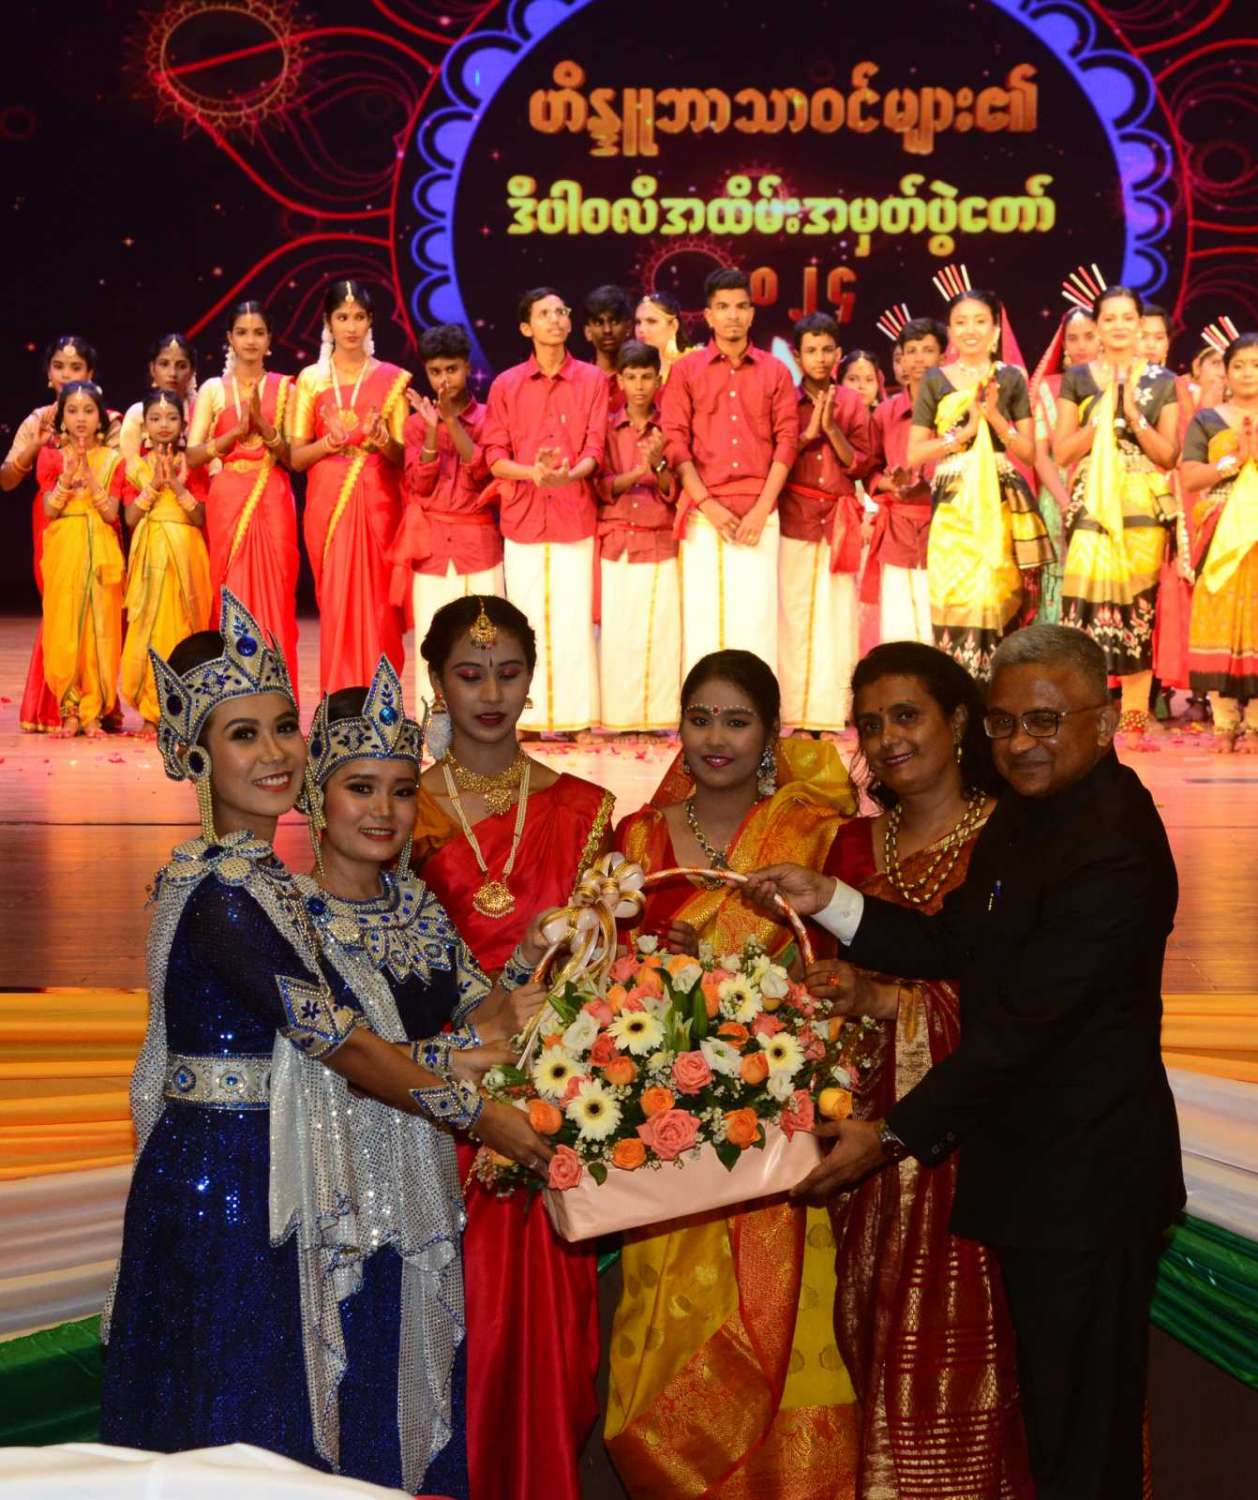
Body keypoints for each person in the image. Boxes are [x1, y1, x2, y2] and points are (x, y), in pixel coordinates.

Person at [100, 594, 551, 1492]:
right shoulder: (225, 895)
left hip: (273, 1168)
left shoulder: (261, 883)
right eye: (243, 735)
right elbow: (343, 1045)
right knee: (233, 1419)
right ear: (193, 755)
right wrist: (480, 1115)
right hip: (227, 1183)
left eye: (282, 728)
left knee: (274, 1422)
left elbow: (398, 1033)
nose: (273, 753)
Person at [747, 622, 1184, 1500]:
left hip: (1089, 1189)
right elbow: (953, 941)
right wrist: (828, 898)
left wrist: (891, 1135)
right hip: (1031, 1179)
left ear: (1106, 722)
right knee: (1052, 1430)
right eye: (1005, 723)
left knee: (1083, 1443)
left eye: (1045, 722)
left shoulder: (1113, 842)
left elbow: (1026, 1029)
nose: (1020, 744)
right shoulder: (1031, 813)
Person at [295, 655, 557, 1496]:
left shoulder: (416, 905)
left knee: (425, 1387)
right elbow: (346, 1065)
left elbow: (485, 1008)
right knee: (349, 1396)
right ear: (315, 795)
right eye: (360, 788)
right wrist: (463, 1054)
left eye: (403, 790)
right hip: (338, 1193)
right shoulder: (292, 919)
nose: (384, 810)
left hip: (427, 1184)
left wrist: (535, 956)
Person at [605, 649, 861, 1498]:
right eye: (701, 718)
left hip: (780, 1133)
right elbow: (600, 976)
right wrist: (655, 960)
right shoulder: (638, 839)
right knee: (666, 1323)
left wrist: (752, 987)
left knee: (794, 1320)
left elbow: (839, 968)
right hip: (668, 1134)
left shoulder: (812, 833)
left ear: (770, 734)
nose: (716, 738)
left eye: (737, 721)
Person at [808, 642, 1031, 1498]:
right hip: (866, 1158)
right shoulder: (848, 845)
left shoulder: (1012, 836)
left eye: (906, 716)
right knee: (876, 1344)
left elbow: (1024, 1011)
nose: (887, 739)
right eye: (869, 724)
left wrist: (886, 1002)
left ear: (959, 719)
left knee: (979, 1366)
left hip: (978, 1150)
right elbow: (817, 982)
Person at [410, 593, 614, 1500]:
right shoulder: (396, 805)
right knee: (450, 1332)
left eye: (508, 673)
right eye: (469, 674)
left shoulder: (583, 810)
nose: (490, 694)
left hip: (548, 1107)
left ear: (532, 680)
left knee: (543, 1346)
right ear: (436, 681)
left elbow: (605, 967)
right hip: (430, 1105)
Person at [1054, 286, 1181, 739]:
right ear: (1098, 326)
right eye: (1110, 318)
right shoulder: (1078, 378)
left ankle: (1134, 718)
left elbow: (1168, 455)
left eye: (1128, 317)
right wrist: (1103, 415)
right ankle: (1081, 716)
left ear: (1140, 323)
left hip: (1141, 504)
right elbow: (1062, 451)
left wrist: (1133, 415)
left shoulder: (1162, 381)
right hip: (1091, 501)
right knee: (1083, 606)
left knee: (1137, 610)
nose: (1120, 326)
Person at [661, 267, 799, 676]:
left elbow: (787, 442)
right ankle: (704, 706)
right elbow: (675, 442)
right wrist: (707, 505)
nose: (733, 315)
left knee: (757, 620)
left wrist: (762, 508)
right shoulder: (686, 371)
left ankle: (756, 705)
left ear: (752, 314)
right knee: (704, 620)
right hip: (704, 513)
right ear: (708, 315)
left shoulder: (775, 371)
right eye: (723, 307)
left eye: (741, 307)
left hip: (760, 512)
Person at [907, 290, 1052, 677]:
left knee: (994, 588)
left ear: (995, 328)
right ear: (950, 330)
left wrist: (996, 420)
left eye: (979, 321)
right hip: (954, 503)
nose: (970, 330)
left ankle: (996, 688)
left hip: (1000, 503)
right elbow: (915, 453)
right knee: (955, 592)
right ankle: (958, 687)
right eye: (961, 322)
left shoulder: (1011, 377)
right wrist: (963, 434)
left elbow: (1029, 454)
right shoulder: (935, 379)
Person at [482, 286, 606, 735]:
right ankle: (529, 718)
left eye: (561, 311)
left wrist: (571, 475)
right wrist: (530, 473)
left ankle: (576, 717)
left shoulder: (593, 380)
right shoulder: (507, 384)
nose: (555, 319)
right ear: (525, 327)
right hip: (524, 516)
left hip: (574, 513)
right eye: (544, 313)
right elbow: (494, 455)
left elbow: (595, 448)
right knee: (526, 619)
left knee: (574, 619)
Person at [290, 278, 411, 694]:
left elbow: (403, 457)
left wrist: (382, 440)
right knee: (337, 599)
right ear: (328, 322)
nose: (351, 326)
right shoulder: (310, 380)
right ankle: (340, 698)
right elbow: (296, 457)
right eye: (342, 317)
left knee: (378, 605)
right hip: (328, 504)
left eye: (359, 316)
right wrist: (328, 443)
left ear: (371, 320)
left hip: (378, 502)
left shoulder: (392, 380)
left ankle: (382, 698)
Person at [186, 299, 300, 683]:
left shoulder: (286, 389)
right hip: (228, 497)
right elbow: (193, 455)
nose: (250, 340)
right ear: (229, 339)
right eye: (242, 332)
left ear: (270, 340)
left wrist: (266, 431)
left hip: (272, 493)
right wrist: (234, 434)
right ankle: (233, 689)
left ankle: (275, 688)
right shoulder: (213, 389)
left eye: (258, 333)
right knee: (231, 588)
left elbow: (292, 457)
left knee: (277, 592)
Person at [393, 321, 500, 712]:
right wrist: (431, 432)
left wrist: (451, 422)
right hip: (433, 549)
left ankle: (485, 718)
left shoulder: (489, 419)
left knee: (485, 640)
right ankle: (435, 720)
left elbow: (480, 474)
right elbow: (418, 486)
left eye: (451, 369)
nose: (443, 380)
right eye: (435, 371)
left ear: (468, 367)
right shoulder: (415, 424)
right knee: (435, 638)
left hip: (479, 547)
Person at [779, 312, 872, 730]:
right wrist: (807, 432)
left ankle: (831, 712)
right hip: (795, 516)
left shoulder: (851, 402)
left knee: (837, 616)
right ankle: (794, 711)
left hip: (838, 520)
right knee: (794, 613)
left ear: (838, 354)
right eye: (811, 350)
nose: (819, 358)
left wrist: (830, 428)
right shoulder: (785, 400)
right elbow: (777, 457)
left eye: (826, 350)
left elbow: (861, 464)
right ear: (797, 356)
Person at [2, 335, 100, 732]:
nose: (66, 374)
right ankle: (54, 704)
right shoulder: (38, 420)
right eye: (59, 366)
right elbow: (7, 479)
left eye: (76, 367)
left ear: (90, 374)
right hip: (52, 523)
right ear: (48, 374)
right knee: (59, 610)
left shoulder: (102, 417)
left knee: (94, 612)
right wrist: (36, 447)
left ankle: (95, 705)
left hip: (96, 525)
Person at [596, 339, 681, 733]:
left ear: (659, 380)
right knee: (620, 632)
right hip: (617, 541)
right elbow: (602, 485)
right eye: (631, 377)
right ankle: (621, 718)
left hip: (659, 538)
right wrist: (638, 471)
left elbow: (672, 490)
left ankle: (656, 718)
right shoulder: (606, 427)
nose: (640, 386)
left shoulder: (670, 428)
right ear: (620, 380)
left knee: (659, 632)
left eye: (647, 377)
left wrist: (659, 464)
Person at [120, 389, 212, 735]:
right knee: (148, 628)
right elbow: (129, 518)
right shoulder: (135, 467)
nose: (163, 425)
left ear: (184, 424)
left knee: (184, 629)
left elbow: (200, 518)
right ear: (144, 426)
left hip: (186, 556)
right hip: (150, 555)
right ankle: (151, 711)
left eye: (172, 418)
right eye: (155, 419)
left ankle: (183, 713)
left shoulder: (194, 465)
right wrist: (155, 486)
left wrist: (176, 484)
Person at [1182, 332, 1258, 750]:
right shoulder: (1207, 420)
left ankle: (1257, 723)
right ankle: (1225, 722)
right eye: (1239, 365)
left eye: (1256, 365)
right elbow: (1190, 475)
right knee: (1219, 618)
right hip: (1219, 531)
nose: (1248, 373)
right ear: (1225, 373)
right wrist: (1234, 462)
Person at [40, 380, 126, 737]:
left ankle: (94, 711)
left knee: (100, 629)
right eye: (72, 411)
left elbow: (112, 514)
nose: (80, 418)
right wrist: (65, 477)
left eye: (88, 411)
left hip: (101, 550)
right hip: (65, 549)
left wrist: (90, 478)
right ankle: (70, 709)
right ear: (61, 418)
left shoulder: (113, 460)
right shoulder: (51, 456)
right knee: (64, 628)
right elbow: (49, 510)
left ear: (100, 419)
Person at [866, 317, 947, 644]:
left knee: (939, 625)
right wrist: (889, 485)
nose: (918, 359)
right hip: (898, 530)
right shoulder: (885, 414)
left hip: (945, 530)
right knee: (899, 627)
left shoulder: (957, 409)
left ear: (943, 356)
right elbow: (869, 469)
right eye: (911, 351)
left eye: (927, 350)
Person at [1030, 306, 1100, 624]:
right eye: (1073, 338)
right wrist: (1066, 503)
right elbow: (1041, 455)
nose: (1081, 345)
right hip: (1058, 493)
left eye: (1089, 336)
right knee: (1060, 585)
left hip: (1108, 488)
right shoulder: (1049, 387)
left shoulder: (1120, 382)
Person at [118, 333, 198, 462]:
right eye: (164, 364)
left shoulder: (201, 411)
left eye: (181, 366)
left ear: (192, 371)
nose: (172, 373)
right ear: (152, 369)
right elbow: (128, 466)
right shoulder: (137, 413)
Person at [583, 283, 635, 412]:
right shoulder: (578, 382)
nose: (607, 330)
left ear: (629, 328)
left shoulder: (642, 381)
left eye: (614, 321)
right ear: (588, 332)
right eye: (598, 323)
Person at [634, 289, 688, 383]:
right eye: (638, 322)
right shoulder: (628, 368)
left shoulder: (692, 366)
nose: (641, 329)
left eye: (651, 321)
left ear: (673, 326)